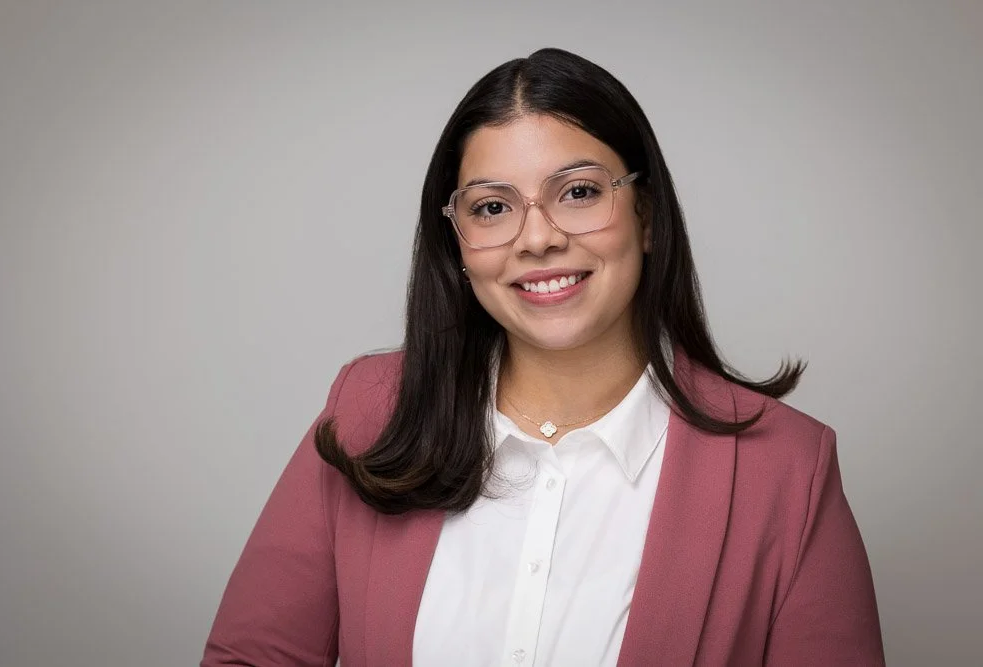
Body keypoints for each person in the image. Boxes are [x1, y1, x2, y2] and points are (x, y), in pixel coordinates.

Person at [201, 48, 885, 667]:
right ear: (457, 239)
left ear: (646, 215)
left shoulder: (788, 467)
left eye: (579, 192)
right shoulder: (366, 411)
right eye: (493, 206)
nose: (537, 238)